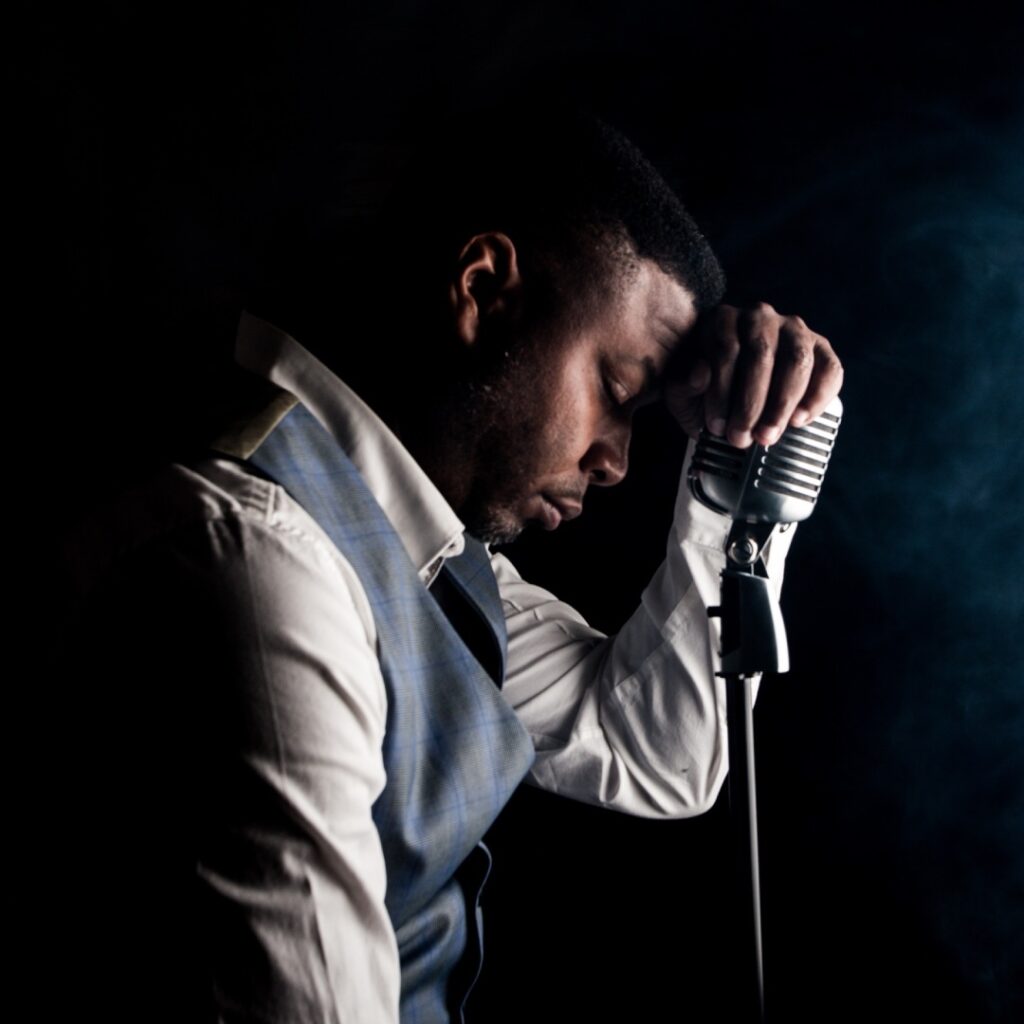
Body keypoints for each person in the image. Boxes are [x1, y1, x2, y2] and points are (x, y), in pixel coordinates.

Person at [59, 109, 842, 1022]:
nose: (617, 463)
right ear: (483, 290)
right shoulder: (263, 556)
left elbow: (654, 750)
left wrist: (748, 466)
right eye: (616, 391)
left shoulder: (410, 545)